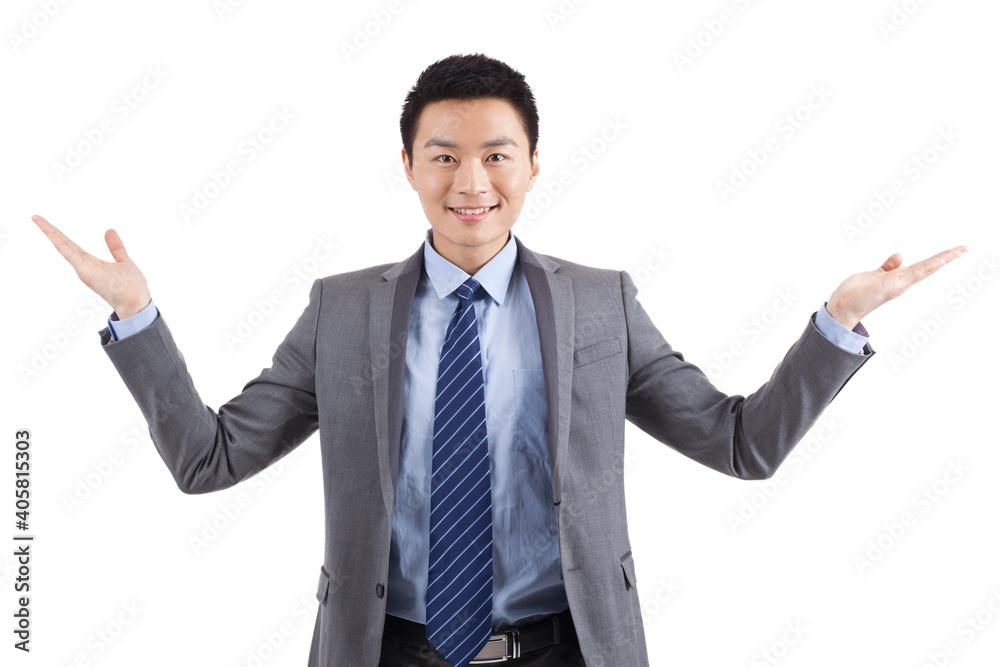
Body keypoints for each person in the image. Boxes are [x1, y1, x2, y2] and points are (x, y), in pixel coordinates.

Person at [33, 53, 967, 667]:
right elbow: (211, 459)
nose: (470, 183)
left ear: (532, 163)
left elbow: (740, 443)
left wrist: (837, 323)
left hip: (567, 647)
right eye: (443, 156)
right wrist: (138, 315)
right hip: (385, 646)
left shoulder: (602, 302)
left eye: (495, 155)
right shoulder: (343, 308)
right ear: (406, 164)